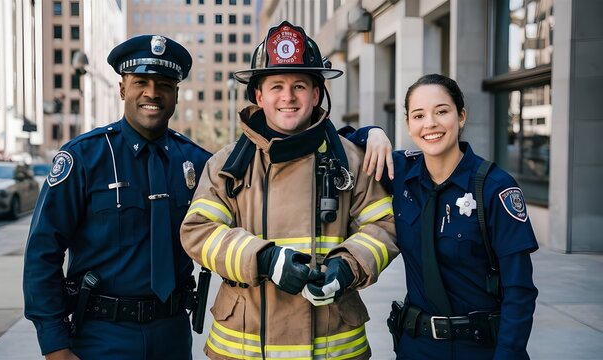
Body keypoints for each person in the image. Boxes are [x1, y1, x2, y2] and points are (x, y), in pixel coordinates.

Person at [180, 21, 398, 360]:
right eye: (277, 85)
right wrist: (263, 259)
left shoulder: (352, 160)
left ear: (315, 94)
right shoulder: (225, 165)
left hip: (332, 345)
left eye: (299, 86)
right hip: (244, 348)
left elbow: (386, 224)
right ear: (258, 95)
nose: (288, 96)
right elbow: (197, 232)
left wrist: (349, 265)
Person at [23, 34, 211, 360]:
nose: (152, 93)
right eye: (141, 82)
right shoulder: (84, 157)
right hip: (101, 336)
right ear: (123, 88)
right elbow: (43, 252)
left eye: (164, 84)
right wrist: (54, 342)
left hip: (173, 335)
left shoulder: (197, 163)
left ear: (176, 94)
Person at [343, 74, 538, 359]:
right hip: (415, 346)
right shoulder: (399, 173)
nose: (430, 124)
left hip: (480, 349)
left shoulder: (495, 188)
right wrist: (372, 132)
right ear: (409, 125)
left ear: (461, 117)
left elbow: (520, 292)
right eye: (418, 115)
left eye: (441, 112)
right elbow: (339, 142)